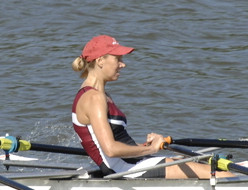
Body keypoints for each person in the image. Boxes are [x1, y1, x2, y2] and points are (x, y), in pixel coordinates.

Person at [71, 35, 225, 179]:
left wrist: (146, 146)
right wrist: (152, 149)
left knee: (205, 164)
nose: (122, 64)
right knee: (219, 175)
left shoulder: (101, 95)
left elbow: (118, 143)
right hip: (125, 170)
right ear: (100, 61)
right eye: (117, 59)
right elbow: (111, 150)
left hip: (132, 163)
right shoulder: (93, 98)